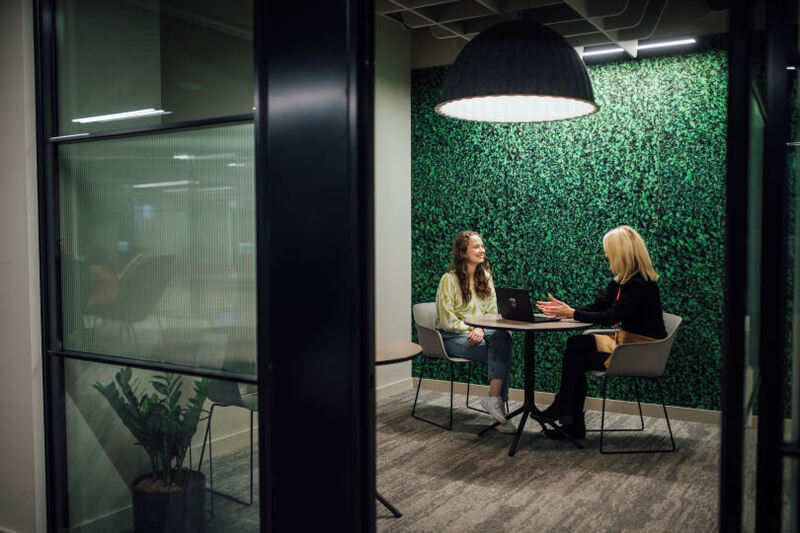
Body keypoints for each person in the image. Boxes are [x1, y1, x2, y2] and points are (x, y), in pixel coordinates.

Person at [536, 225, 667, 439]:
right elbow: (598, 307)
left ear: (620, 252)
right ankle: (567, 413)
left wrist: (572, 313)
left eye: (608, 250)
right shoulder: (623, 281)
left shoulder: (640, 284)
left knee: (577, 359)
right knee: (576, 344)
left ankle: (569, 415)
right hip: (627, 342)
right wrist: (567, 310)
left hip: (641, 349)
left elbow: (610, 316)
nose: (606, 255)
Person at [435, 231, 515, 433]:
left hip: (482, 333)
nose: (482, 250)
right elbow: (447, 321)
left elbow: (492, 314)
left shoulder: (485, 277)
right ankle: (499, 411)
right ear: (463, 252)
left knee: (503, 336)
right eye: (476, 247)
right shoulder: (449, 279)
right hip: (451, 337)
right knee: (502, 351)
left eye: (482, 246)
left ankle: (494, 400)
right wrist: (473, 329)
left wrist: (481, 328)